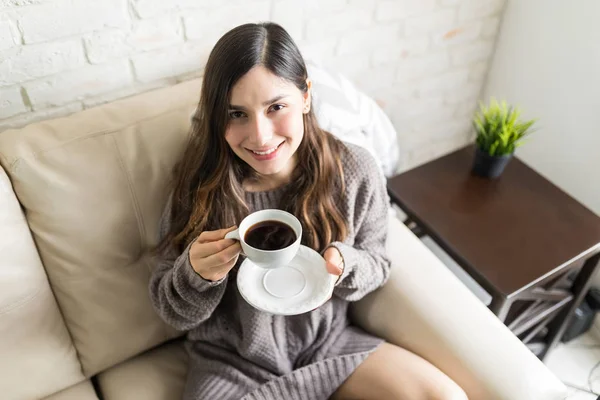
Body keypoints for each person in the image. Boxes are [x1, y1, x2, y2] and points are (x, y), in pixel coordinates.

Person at [150, 22, 468, 400]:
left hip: (326, 344)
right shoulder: (199, 184)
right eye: (237, 114)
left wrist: (343, 265)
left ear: (305, 97)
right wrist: (196, 274)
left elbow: (378, 263)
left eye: (276, 107)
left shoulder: (354, 170)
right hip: (231, 364)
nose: (261, 136)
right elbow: (172, 311)